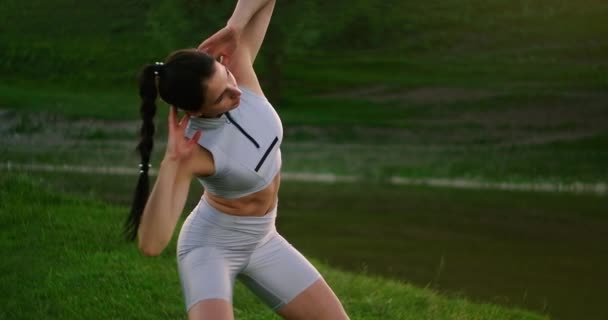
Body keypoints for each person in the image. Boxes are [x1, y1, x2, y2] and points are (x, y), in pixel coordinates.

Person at [124, 1, 350, 319]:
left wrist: (235, 26)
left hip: (264, 238)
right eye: (222, 96)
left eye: (226, 75)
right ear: (197, 112)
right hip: (211, 248)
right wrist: (173, 162)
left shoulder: (237, 70)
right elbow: (151, 243)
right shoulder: (194, 151)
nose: (236, 91)